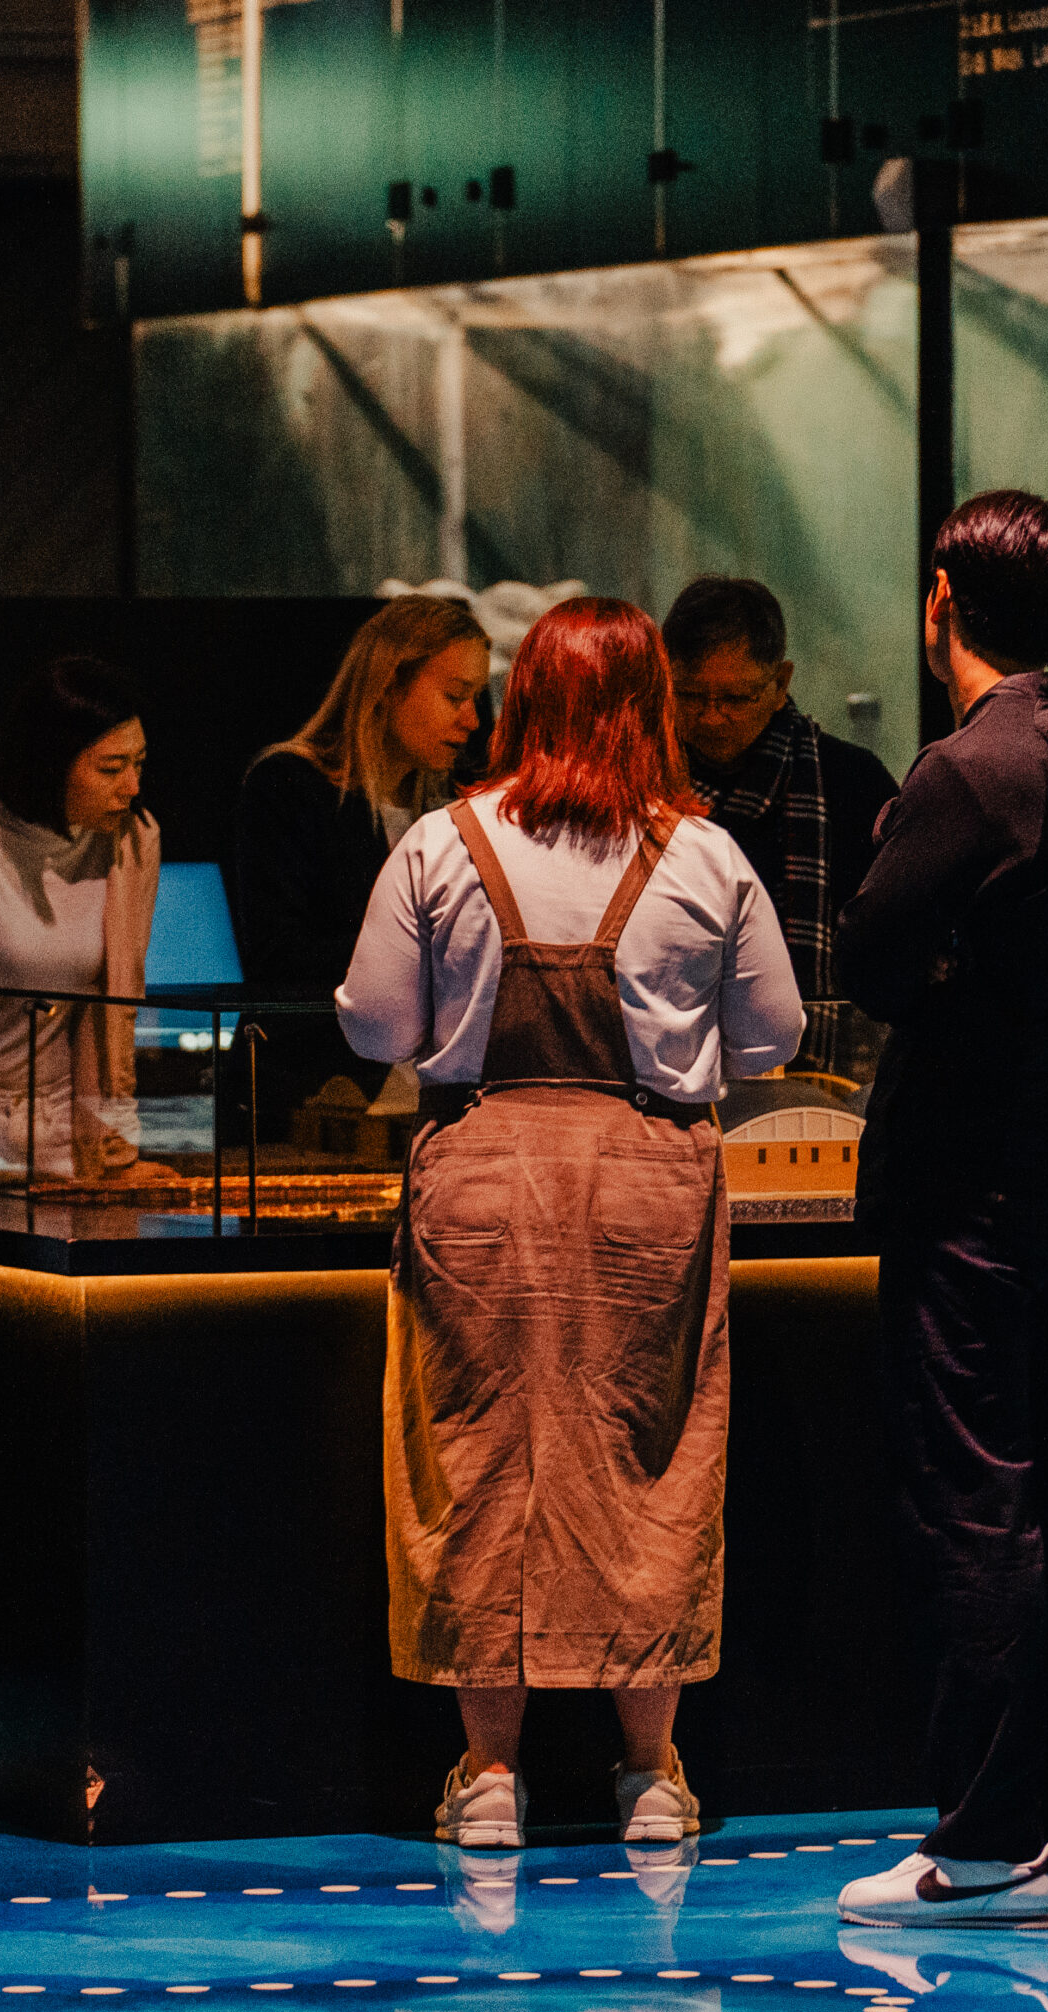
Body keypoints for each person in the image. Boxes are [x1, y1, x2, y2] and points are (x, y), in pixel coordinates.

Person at [337, 596, 803, 1850]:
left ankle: (491, 1773)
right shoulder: (704, 855)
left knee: (472, 1448)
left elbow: (374, 1024)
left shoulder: (441, 842)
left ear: (525, 700)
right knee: (652, 1452)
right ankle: (650, 1774)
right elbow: (774, 1035)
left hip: (478, 1166)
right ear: (652, 706)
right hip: (649, 1176)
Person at [829, 490, 1048, 1931]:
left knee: (976, 1506)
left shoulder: (971, 767)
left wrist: (945, 966)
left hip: (963, 1186)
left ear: (941, 602)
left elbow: (868, 956)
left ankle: (985, 1844)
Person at [234, 596, 489, 1117]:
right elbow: (277, 954)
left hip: (433, 1097)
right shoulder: (289, 783)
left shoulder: (460, 803)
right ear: (389, 685)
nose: (472, 720)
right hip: (315, 1097)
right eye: (455, 695)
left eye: (476, 698)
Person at [662, 575, 899, 1052]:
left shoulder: (852, 782)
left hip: (821, 1068)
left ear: (781, 682)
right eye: (689, 695)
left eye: (735, 698)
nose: (711, 716)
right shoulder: (639, 781)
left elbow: (890, 944)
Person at [0, 656, 161, 1182]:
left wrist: (118, 1150)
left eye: (138, 764)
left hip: (66, 1146)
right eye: (111, 769)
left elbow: (119, 1010)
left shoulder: (132, 841)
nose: (131, 786)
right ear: (50, 763)